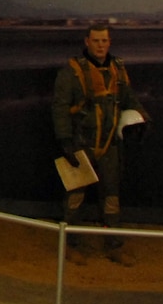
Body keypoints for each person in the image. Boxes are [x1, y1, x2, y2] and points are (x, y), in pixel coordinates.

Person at [52, 25, 146, 263]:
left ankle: (113, 244)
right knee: (75, 199)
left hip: (109, 145)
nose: (100, 45)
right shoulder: (72, 72)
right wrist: (65, 141)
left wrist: (143, 118)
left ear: (109, 42)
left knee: (111, 197)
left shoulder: (118, 70)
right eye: (96, 40)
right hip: (80, 144)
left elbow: (129, 99)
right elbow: (60, 108)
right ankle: (70, 244)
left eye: (104, 40)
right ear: (87, 42)